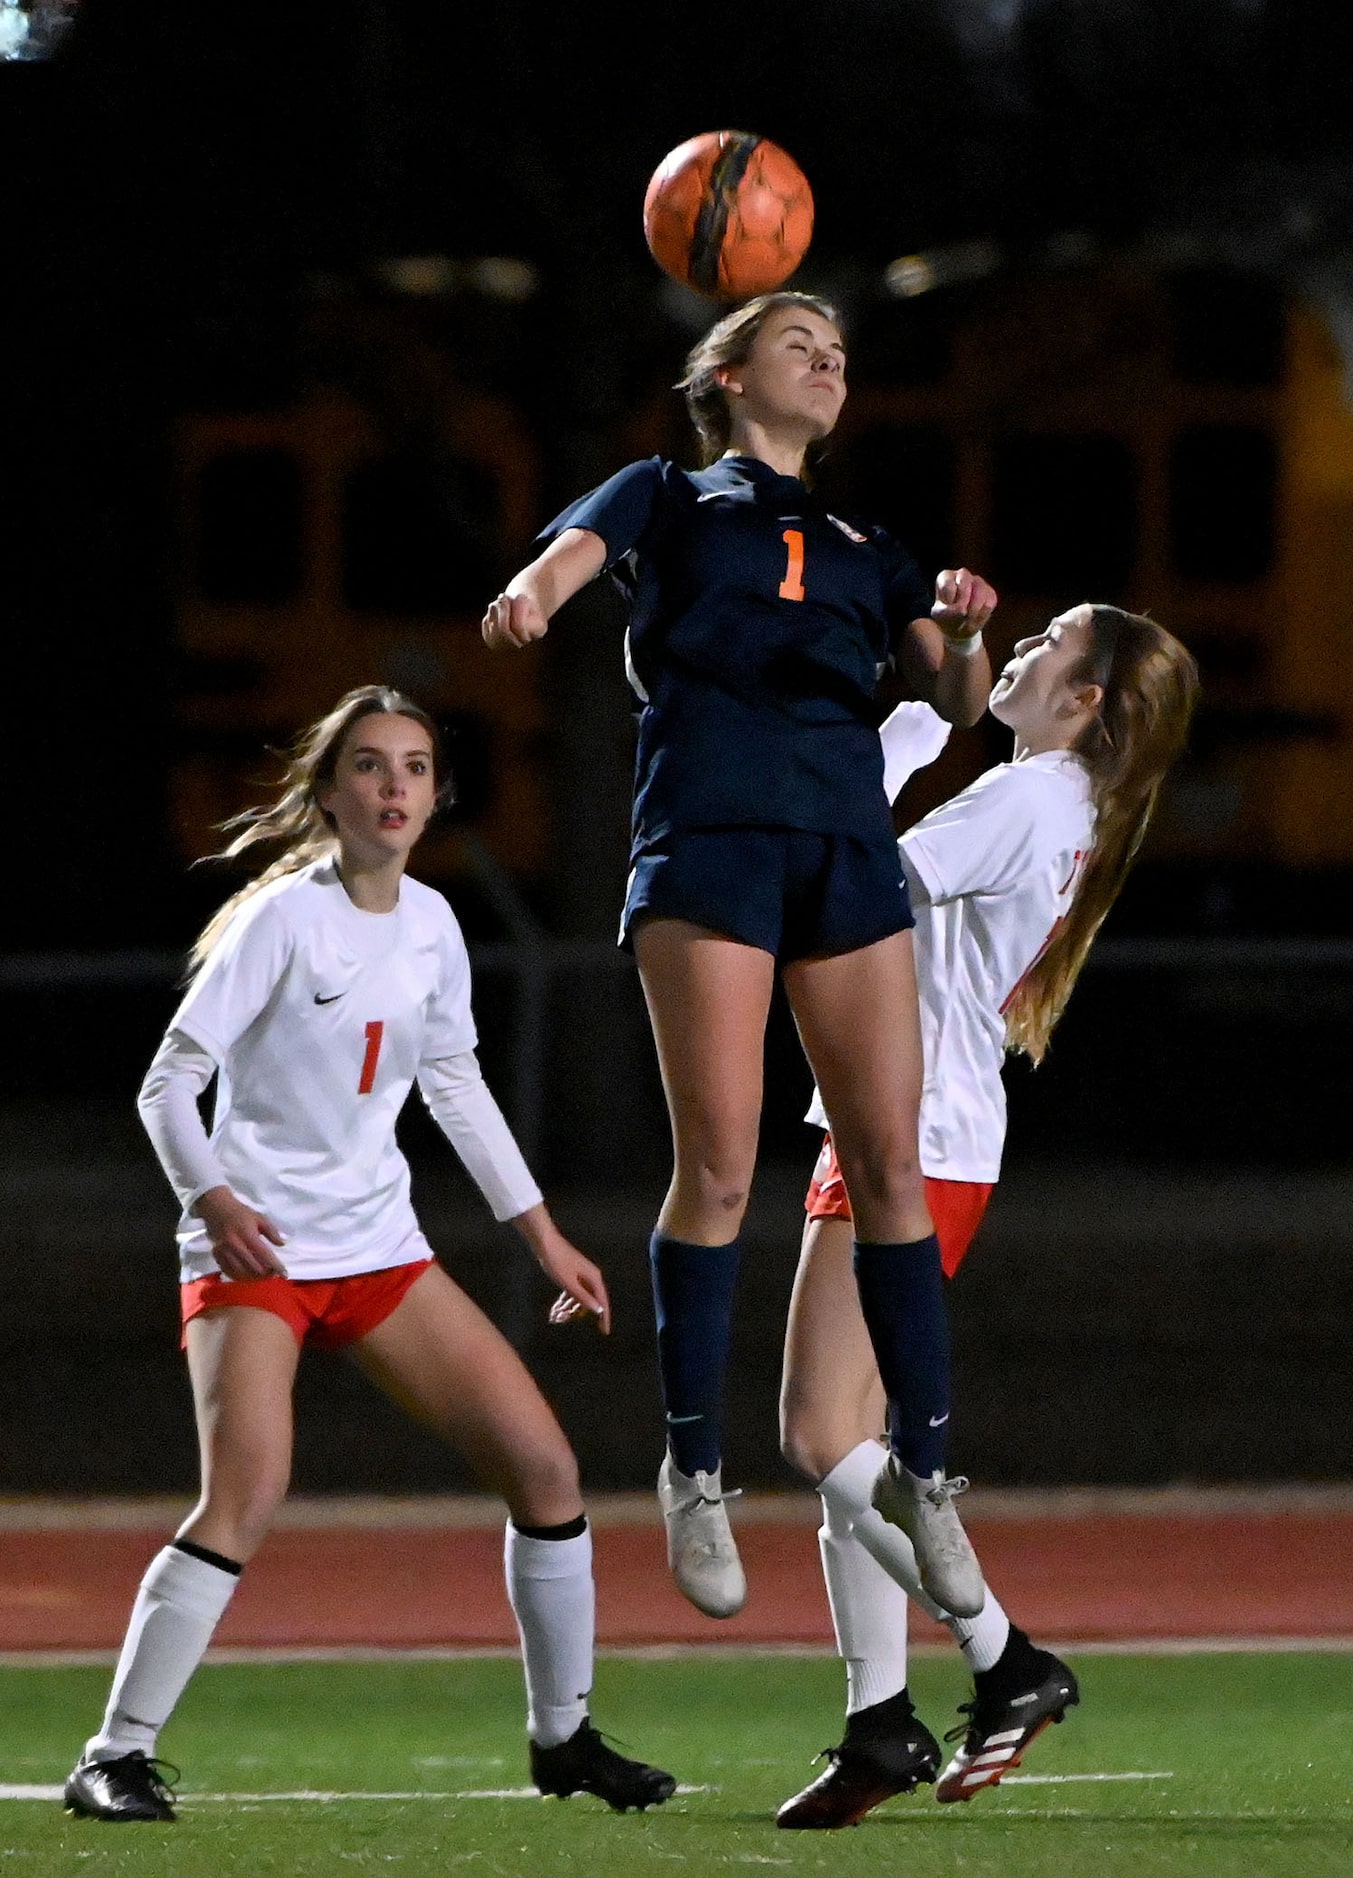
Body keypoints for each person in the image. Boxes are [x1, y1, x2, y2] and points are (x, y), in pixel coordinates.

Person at [63, 685, 676, 1825]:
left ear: (439, 794)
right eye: (369, 766)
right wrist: (217, 1198)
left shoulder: (437, 923)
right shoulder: (280, 920)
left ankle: (563, 1740)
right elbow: (167, 1086)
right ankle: (114, 1753)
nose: (394, 786)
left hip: (379, 1246)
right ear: (329, 790)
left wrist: (541, 1234)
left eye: (415, 767)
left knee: (545, 1472)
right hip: (258, 1250)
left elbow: (453, 1085)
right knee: (245, 1494)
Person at [483, 292, 997, 1622]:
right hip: (710, 839)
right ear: (727, 372)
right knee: (718, 1167)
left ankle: (930, 1476)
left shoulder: (869, 542)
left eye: (837, 347)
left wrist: (969, 628)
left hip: (842, 846)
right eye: (797, 341)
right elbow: (565, 561)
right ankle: (693, 1466)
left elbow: (954, 694)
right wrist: (532, 596)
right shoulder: (666, 489)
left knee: (888, 1160)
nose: (828, 357)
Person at [775, 603, 1200, 1827]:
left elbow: (854, 881)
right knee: (844, 1451)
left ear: (1091, 701)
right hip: (908, 1125)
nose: (1021, 651)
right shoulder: (1048, 802)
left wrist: (899, 736)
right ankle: (875, 1726)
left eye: (1050, 643)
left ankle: (1007, 1658)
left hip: (914, 1133)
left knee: (819, 1436)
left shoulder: (1030, 800)